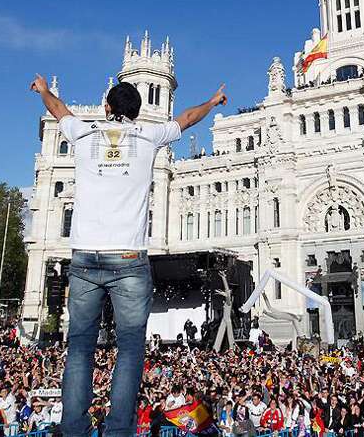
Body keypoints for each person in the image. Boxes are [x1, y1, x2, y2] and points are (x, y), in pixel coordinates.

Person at [30, 74, 228, 437]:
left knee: (79, 348)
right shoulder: (149, 136)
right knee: (130, 348)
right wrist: (213, 102)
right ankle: (119, 430)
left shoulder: (84, 133)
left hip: (86, 257)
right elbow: (187, 118)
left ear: (107, 108)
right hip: (128, 259)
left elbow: (58, 110)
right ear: (137, 113)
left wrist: (44, 90)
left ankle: (73, 428)